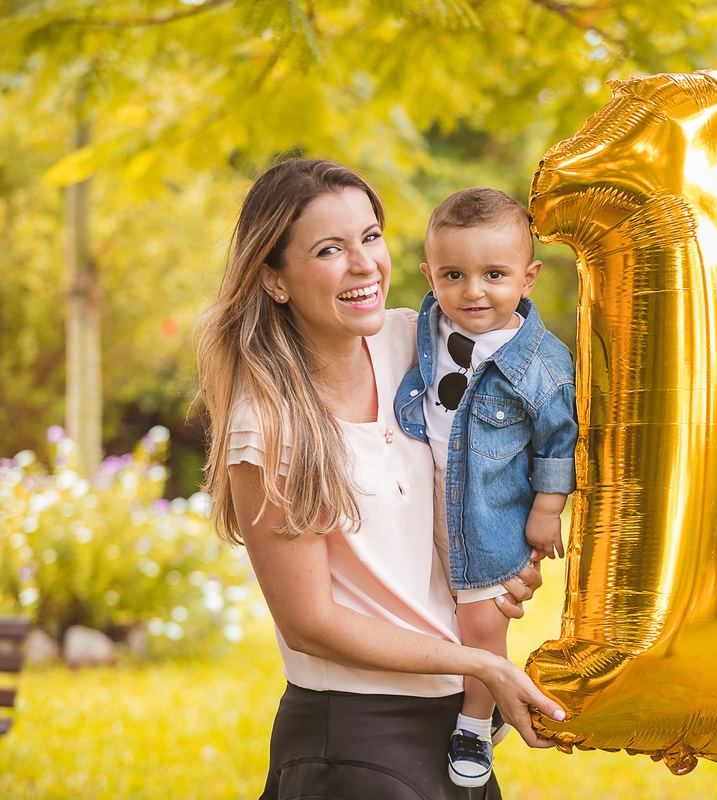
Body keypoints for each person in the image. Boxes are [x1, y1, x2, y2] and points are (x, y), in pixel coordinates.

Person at [195, 159, 564, 800]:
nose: (364, 264)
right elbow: (309, 621)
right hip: (356, 740)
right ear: (274, 280)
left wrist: (504, 564)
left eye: (370, 236)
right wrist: (480, 664)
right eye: (329, 249)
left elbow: (513, 440)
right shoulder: (270, 425)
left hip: (454, 724)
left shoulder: (420, 345)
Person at [393, 188, 578, 788]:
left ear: (528, 278)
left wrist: (546, 512)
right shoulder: (424, 325)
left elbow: (558, 444)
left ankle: (475, 723)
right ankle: (468, 703)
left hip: (488, 518)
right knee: (433, 618)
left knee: (481, 628)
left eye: (494, 275)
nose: (473, 291)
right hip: (424, 505)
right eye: (453, 275)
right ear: (429, 277)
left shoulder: (542, 364)